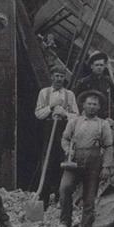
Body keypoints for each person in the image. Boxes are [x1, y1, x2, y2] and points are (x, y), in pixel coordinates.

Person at [57, 91, 113, 227]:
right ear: (83, 105)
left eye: (95, 104)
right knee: (65, 188)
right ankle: (64, 222)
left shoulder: (103, 124)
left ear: (99, 107)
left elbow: (108, 147)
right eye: (89, 103)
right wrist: (68, 149)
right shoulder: (74, 121)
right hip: (74, 161)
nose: (92, 107)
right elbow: (65, 138)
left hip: (93, 163)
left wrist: (106, 167)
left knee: (89, 198)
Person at [34, 65, 78, 209]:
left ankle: (61, 198)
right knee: (46, 163)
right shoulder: (44, 93)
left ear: (64, 78)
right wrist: (51, 107)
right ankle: (43, 199)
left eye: (61, 76)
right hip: (48, 130)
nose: (59, 79)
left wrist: (65, 113)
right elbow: (38, 114)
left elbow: (76, 116)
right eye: (56, 76)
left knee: (61, 162)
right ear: (52, 77)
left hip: (63, 130)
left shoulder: (69, 95)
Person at [75, 51, 114, 119]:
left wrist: (112, 110)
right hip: (86, 115)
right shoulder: (84, 82)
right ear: (92, 66)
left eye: (101, 65)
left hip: (103, 115)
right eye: (97, 65)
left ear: (104, 66)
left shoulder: (108, 81)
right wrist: (82, 111)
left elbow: (112, 99)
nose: (99, 67)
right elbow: (76, 99)